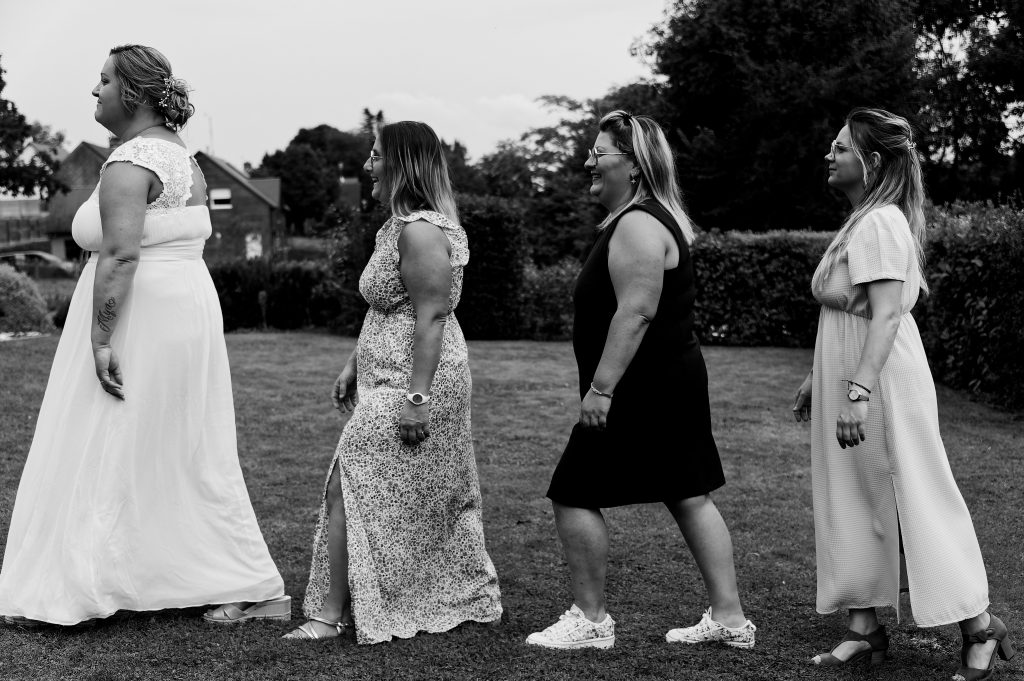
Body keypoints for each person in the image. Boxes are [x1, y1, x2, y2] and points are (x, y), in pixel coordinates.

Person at [0, 44, 287, 627]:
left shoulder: (132, 161)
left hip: (144, 316)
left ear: (132, 92)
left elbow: (122, 255)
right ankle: (214, 576)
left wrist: (100, 340)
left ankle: (89, 585)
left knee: (112, 436)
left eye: (104, 80)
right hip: (183, 307)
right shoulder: (184, 158)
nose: (94, 90)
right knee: (179, 445)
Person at [792, 107, 1015, 678]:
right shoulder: (861, 221)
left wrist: (857, 391)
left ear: (871, 161)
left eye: (841, 147)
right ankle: (864, 628)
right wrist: (819, 377)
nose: (829, 154)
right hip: (855, 375)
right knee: (853, 498)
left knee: (914, 494)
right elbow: (850, 310)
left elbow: (887, 315)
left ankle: (980, 626)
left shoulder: (879, 223)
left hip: (882, 384)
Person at [526, 111, 754, 650]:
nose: (588, 161)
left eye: (598, 152)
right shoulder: (643, 218)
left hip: (641, 386)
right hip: (668, 380)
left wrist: (602, 388)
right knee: (687, 492)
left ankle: (591, 621)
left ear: (632, 164)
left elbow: (636, 310)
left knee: (573, 490)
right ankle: (730, 619)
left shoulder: (637, 224)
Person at [284, 121, 502, 643]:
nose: (368, 166)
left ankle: (330, 616)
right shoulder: (396, 227)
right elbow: (389, 307)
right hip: (383, 375)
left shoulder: (421, 231)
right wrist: (353, 363)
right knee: (394, 494)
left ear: (404, 164)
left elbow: (432, 316)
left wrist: (417, 398)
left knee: (349, 483)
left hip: (417, 383)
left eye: (377, 155)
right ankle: (407, 594)